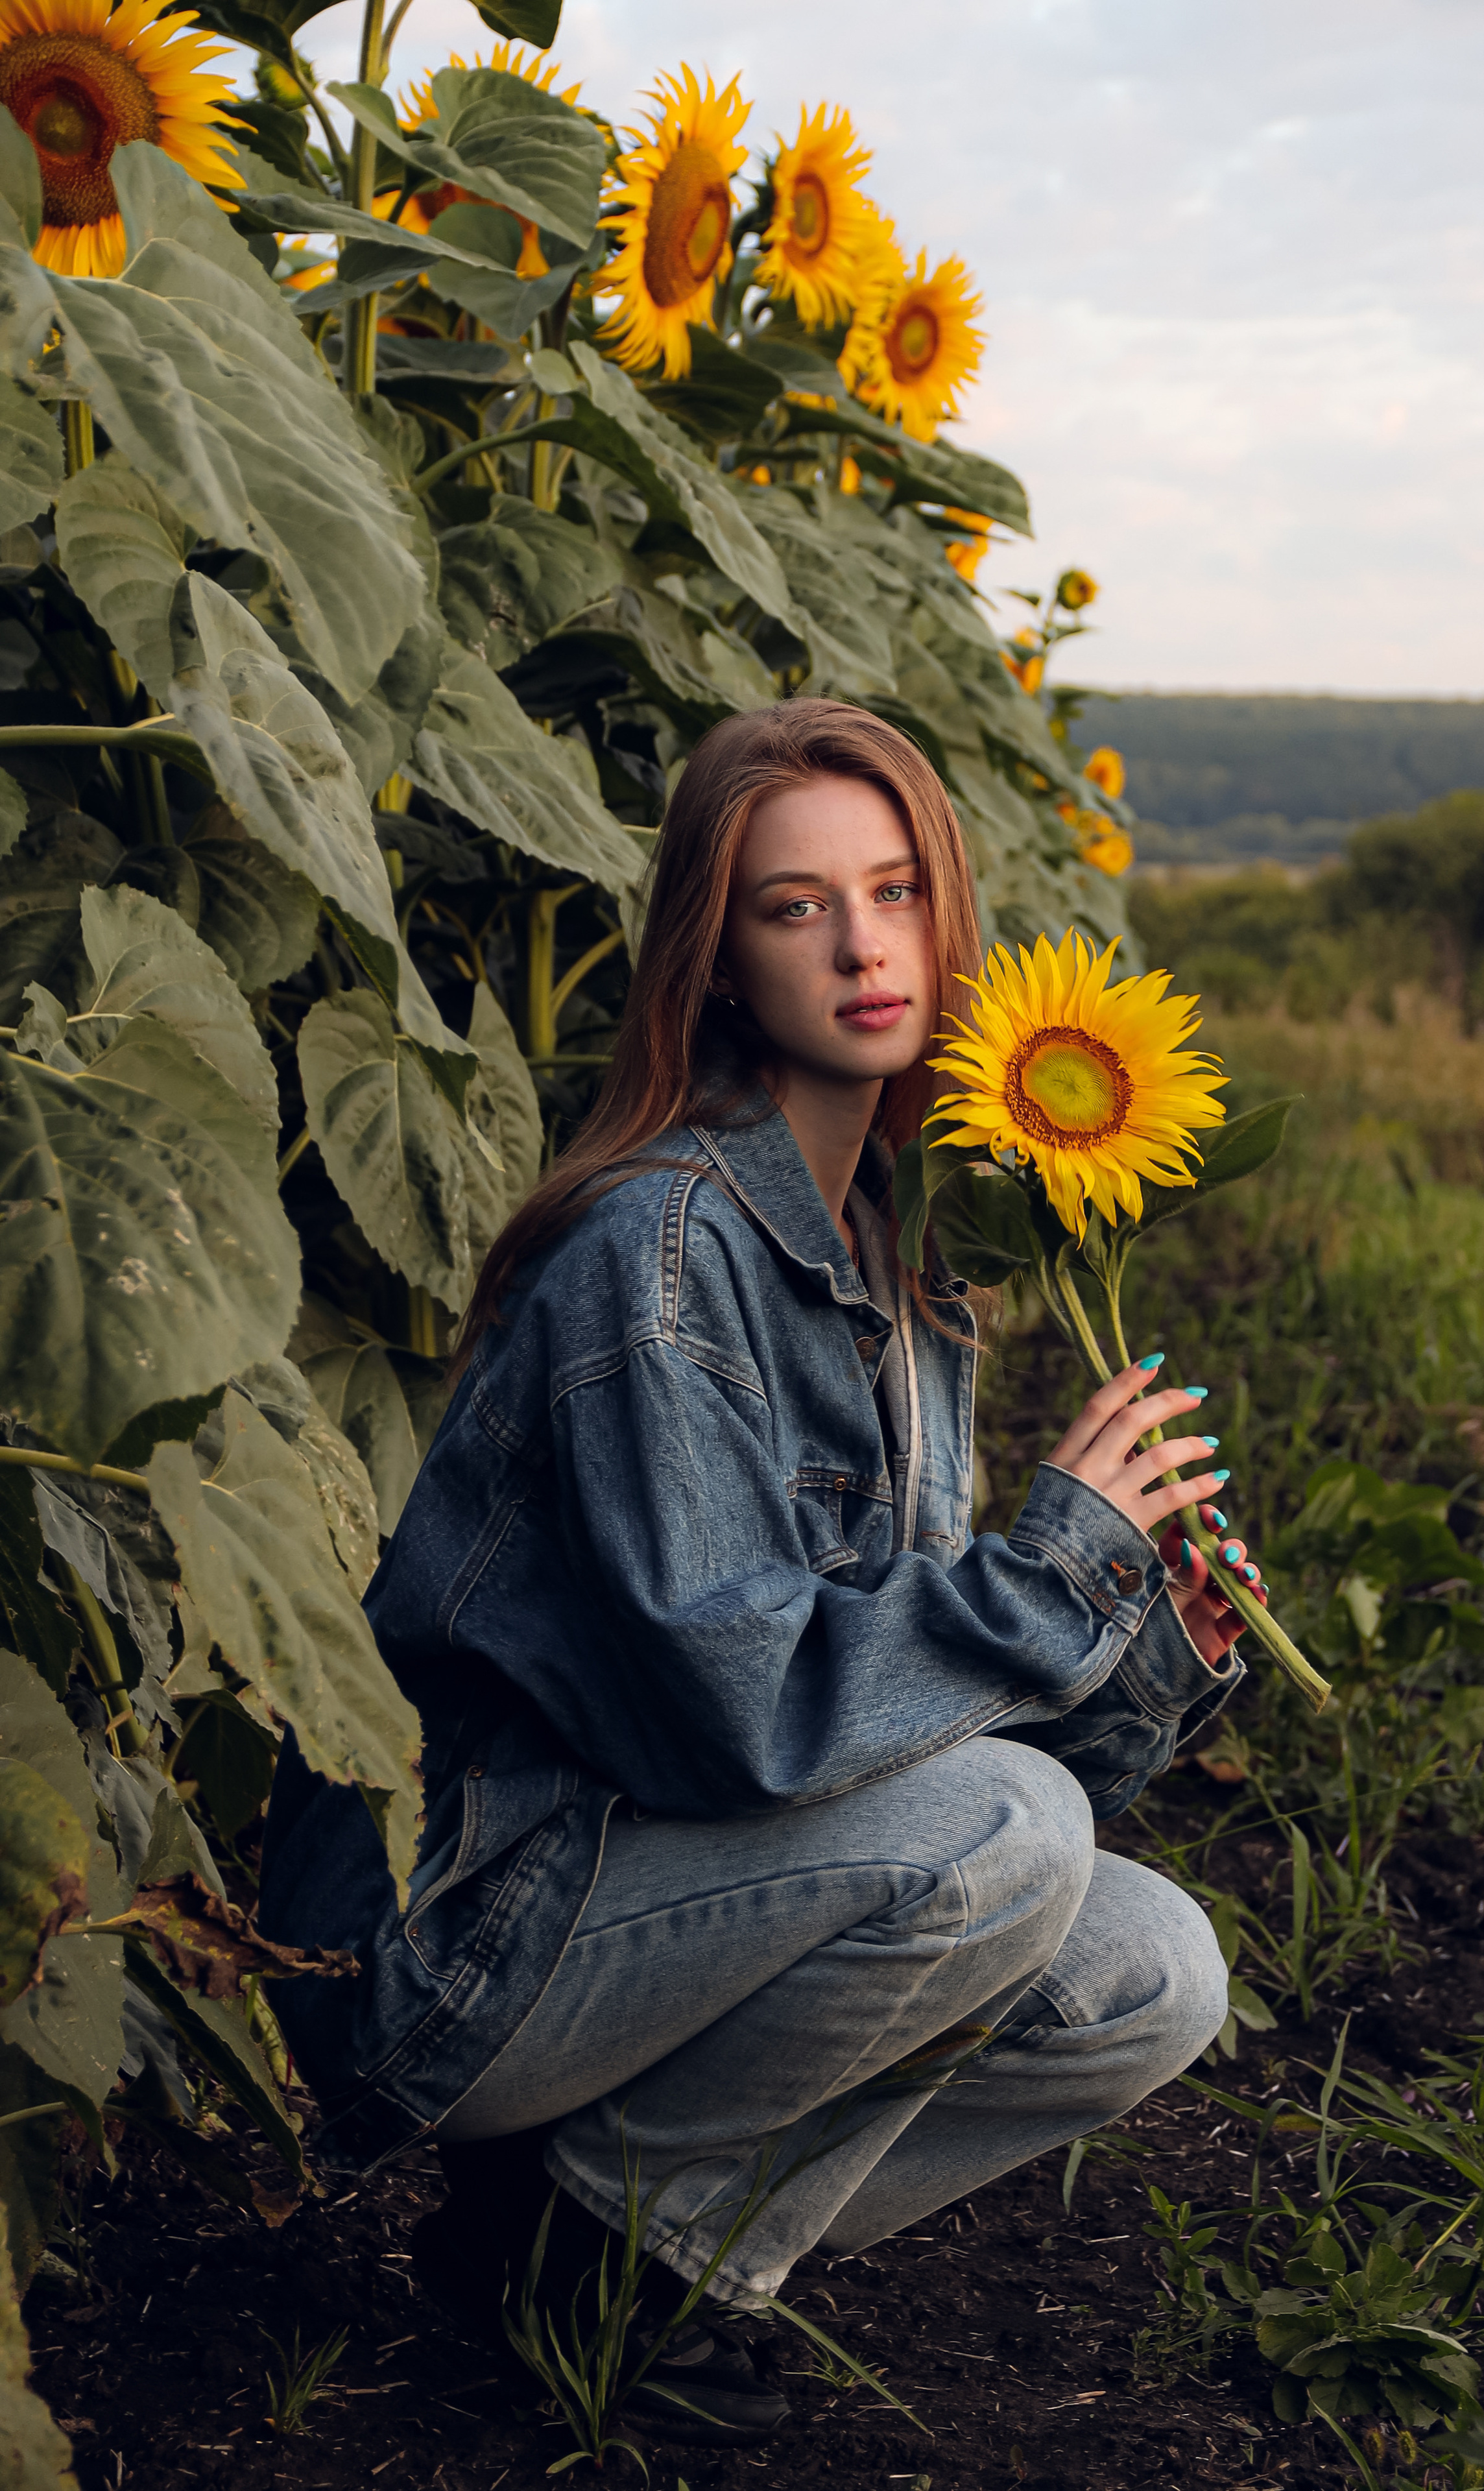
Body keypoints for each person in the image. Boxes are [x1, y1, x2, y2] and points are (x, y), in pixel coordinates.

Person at [261, 699, 1262, 2446]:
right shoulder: (655, 1255)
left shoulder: (894, 1255)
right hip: (476, 1937)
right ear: (716, 959)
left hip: (663, 1906)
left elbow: (915, 1740)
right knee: (1008, 1838)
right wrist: (1041, 1582)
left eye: (895, 893)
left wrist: (1141, 1638)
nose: (864, 945)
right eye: (797, 906)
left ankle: (598, 2238)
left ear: (946, 922)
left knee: (1148, 1974)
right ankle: (600, 2263)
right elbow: (748, 1721)